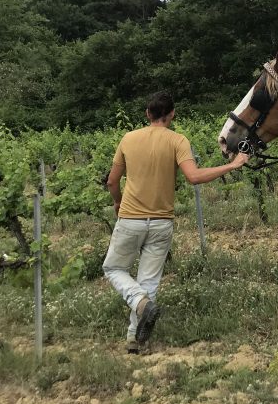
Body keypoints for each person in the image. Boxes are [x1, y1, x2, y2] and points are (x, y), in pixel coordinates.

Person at [103, 90, 249, 353]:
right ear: (172, 114)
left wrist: (117, 201)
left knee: (113, 268)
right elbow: (193, 177)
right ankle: (135, 339)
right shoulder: (178, 140)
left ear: (148, 114)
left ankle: (137, 303)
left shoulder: (128, 138)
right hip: (161, 223)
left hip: (130, 219)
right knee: (149, 281)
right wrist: (232, 165)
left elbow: (113, 181)